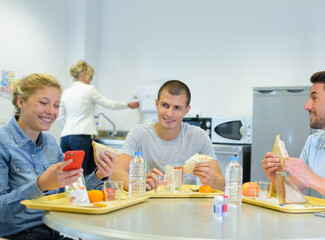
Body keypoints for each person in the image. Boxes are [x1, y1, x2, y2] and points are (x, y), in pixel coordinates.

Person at [0, 73, 117, 239]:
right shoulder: (3, 142)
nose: (51, 112)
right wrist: (39, 185)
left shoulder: (50, 144)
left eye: (56, 105)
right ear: (21, 102)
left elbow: (71, 194)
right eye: (43, 103)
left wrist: (99, 175)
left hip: (54, 232)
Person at [262, 69, 325, 213]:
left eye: (314, 98)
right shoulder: (313, 143)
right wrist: (275, 176)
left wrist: (312, 179)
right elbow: (290, 195)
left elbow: (310, 179)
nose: (306, 106)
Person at [110, 80, 225, 191]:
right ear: (156, 104)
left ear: (186, 110)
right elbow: (115, 173)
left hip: (186, 206)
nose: (169, 113)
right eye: (165, 105)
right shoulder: (139, 134)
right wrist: (140, 184)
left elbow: (222, 186)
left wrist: (212, 179)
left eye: (177, 108)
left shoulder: (199, 136)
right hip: (148, 203)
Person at [57, 60, 139, 176]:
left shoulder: (65, 93)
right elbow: (109, 104)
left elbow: (60, 117)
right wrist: (127, 105)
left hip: (65, 137)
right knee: (82, 175)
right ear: (83, 75)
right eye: (91, 76)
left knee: (66, 174)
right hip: (82, 137)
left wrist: (67, 130)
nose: (91, 79)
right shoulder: (89, 89)